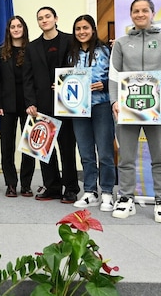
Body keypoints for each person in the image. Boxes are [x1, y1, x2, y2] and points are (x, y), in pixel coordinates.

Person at [110, 0, 161, 224]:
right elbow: (113, 75)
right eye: (136, 11)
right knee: (126, 156)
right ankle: (126, 198)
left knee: (160, 156)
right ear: (131, 15)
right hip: (127, 107)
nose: (140, 14)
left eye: (144, 10)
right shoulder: (121, 43)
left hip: (157, 107)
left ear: (152, 13)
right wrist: (113, 102)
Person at [23, 6, 79, 203]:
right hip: (42, 103)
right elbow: (27, 77)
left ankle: (71, 188)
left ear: (56, 18)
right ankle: (52, 186)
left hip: (66, 102)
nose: (44, 20)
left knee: (66, 146)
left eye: (47, 16)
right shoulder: (32, 47)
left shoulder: (70, 40)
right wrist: (30, 102)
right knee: (44, 148)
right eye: (40, 18)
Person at [65, 15, 115, 212]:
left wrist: (104, 85)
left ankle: (108, 192)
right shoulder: (71, 54)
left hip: (101, 105)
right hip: (78, 108)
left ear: (93, 29)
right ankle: (90, 191)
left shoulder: (106, 51)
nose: (81, 32)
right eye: (78, 29)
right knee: (85, 152)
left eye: (85, 28)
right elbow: (68, 78)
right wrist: (61, 87)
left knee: (105, 152)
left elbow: (116, 77)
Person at [0, 16, 36, 198]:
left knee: (29, 147)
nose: (16, 29)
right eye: (13, 26)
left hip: (29, 105)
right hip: (7, 104)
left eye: (19, 26)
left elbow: (36, 79)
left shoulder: (33, 50)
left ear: (24, 28)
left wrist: (34, 103)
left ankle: (26, 184)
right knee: (7, 146)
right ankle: (11, 184)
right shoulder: (1, 51)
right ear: (8, 30)